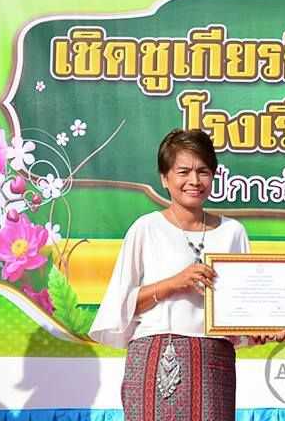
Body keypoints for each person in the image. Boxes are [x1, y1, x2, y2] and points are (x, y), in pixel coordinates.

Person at [89, 129, 249, 421]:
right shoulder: (146, 228)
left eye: (203, 171)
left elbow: (243, 309)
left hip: (213, 359)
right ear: (164, 178)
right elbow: (120, 305)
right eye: (183, 172)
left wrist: (257, 327)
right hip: (156, 355)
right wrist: (174, 284)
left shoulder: (232, 232)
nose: (194, 181)